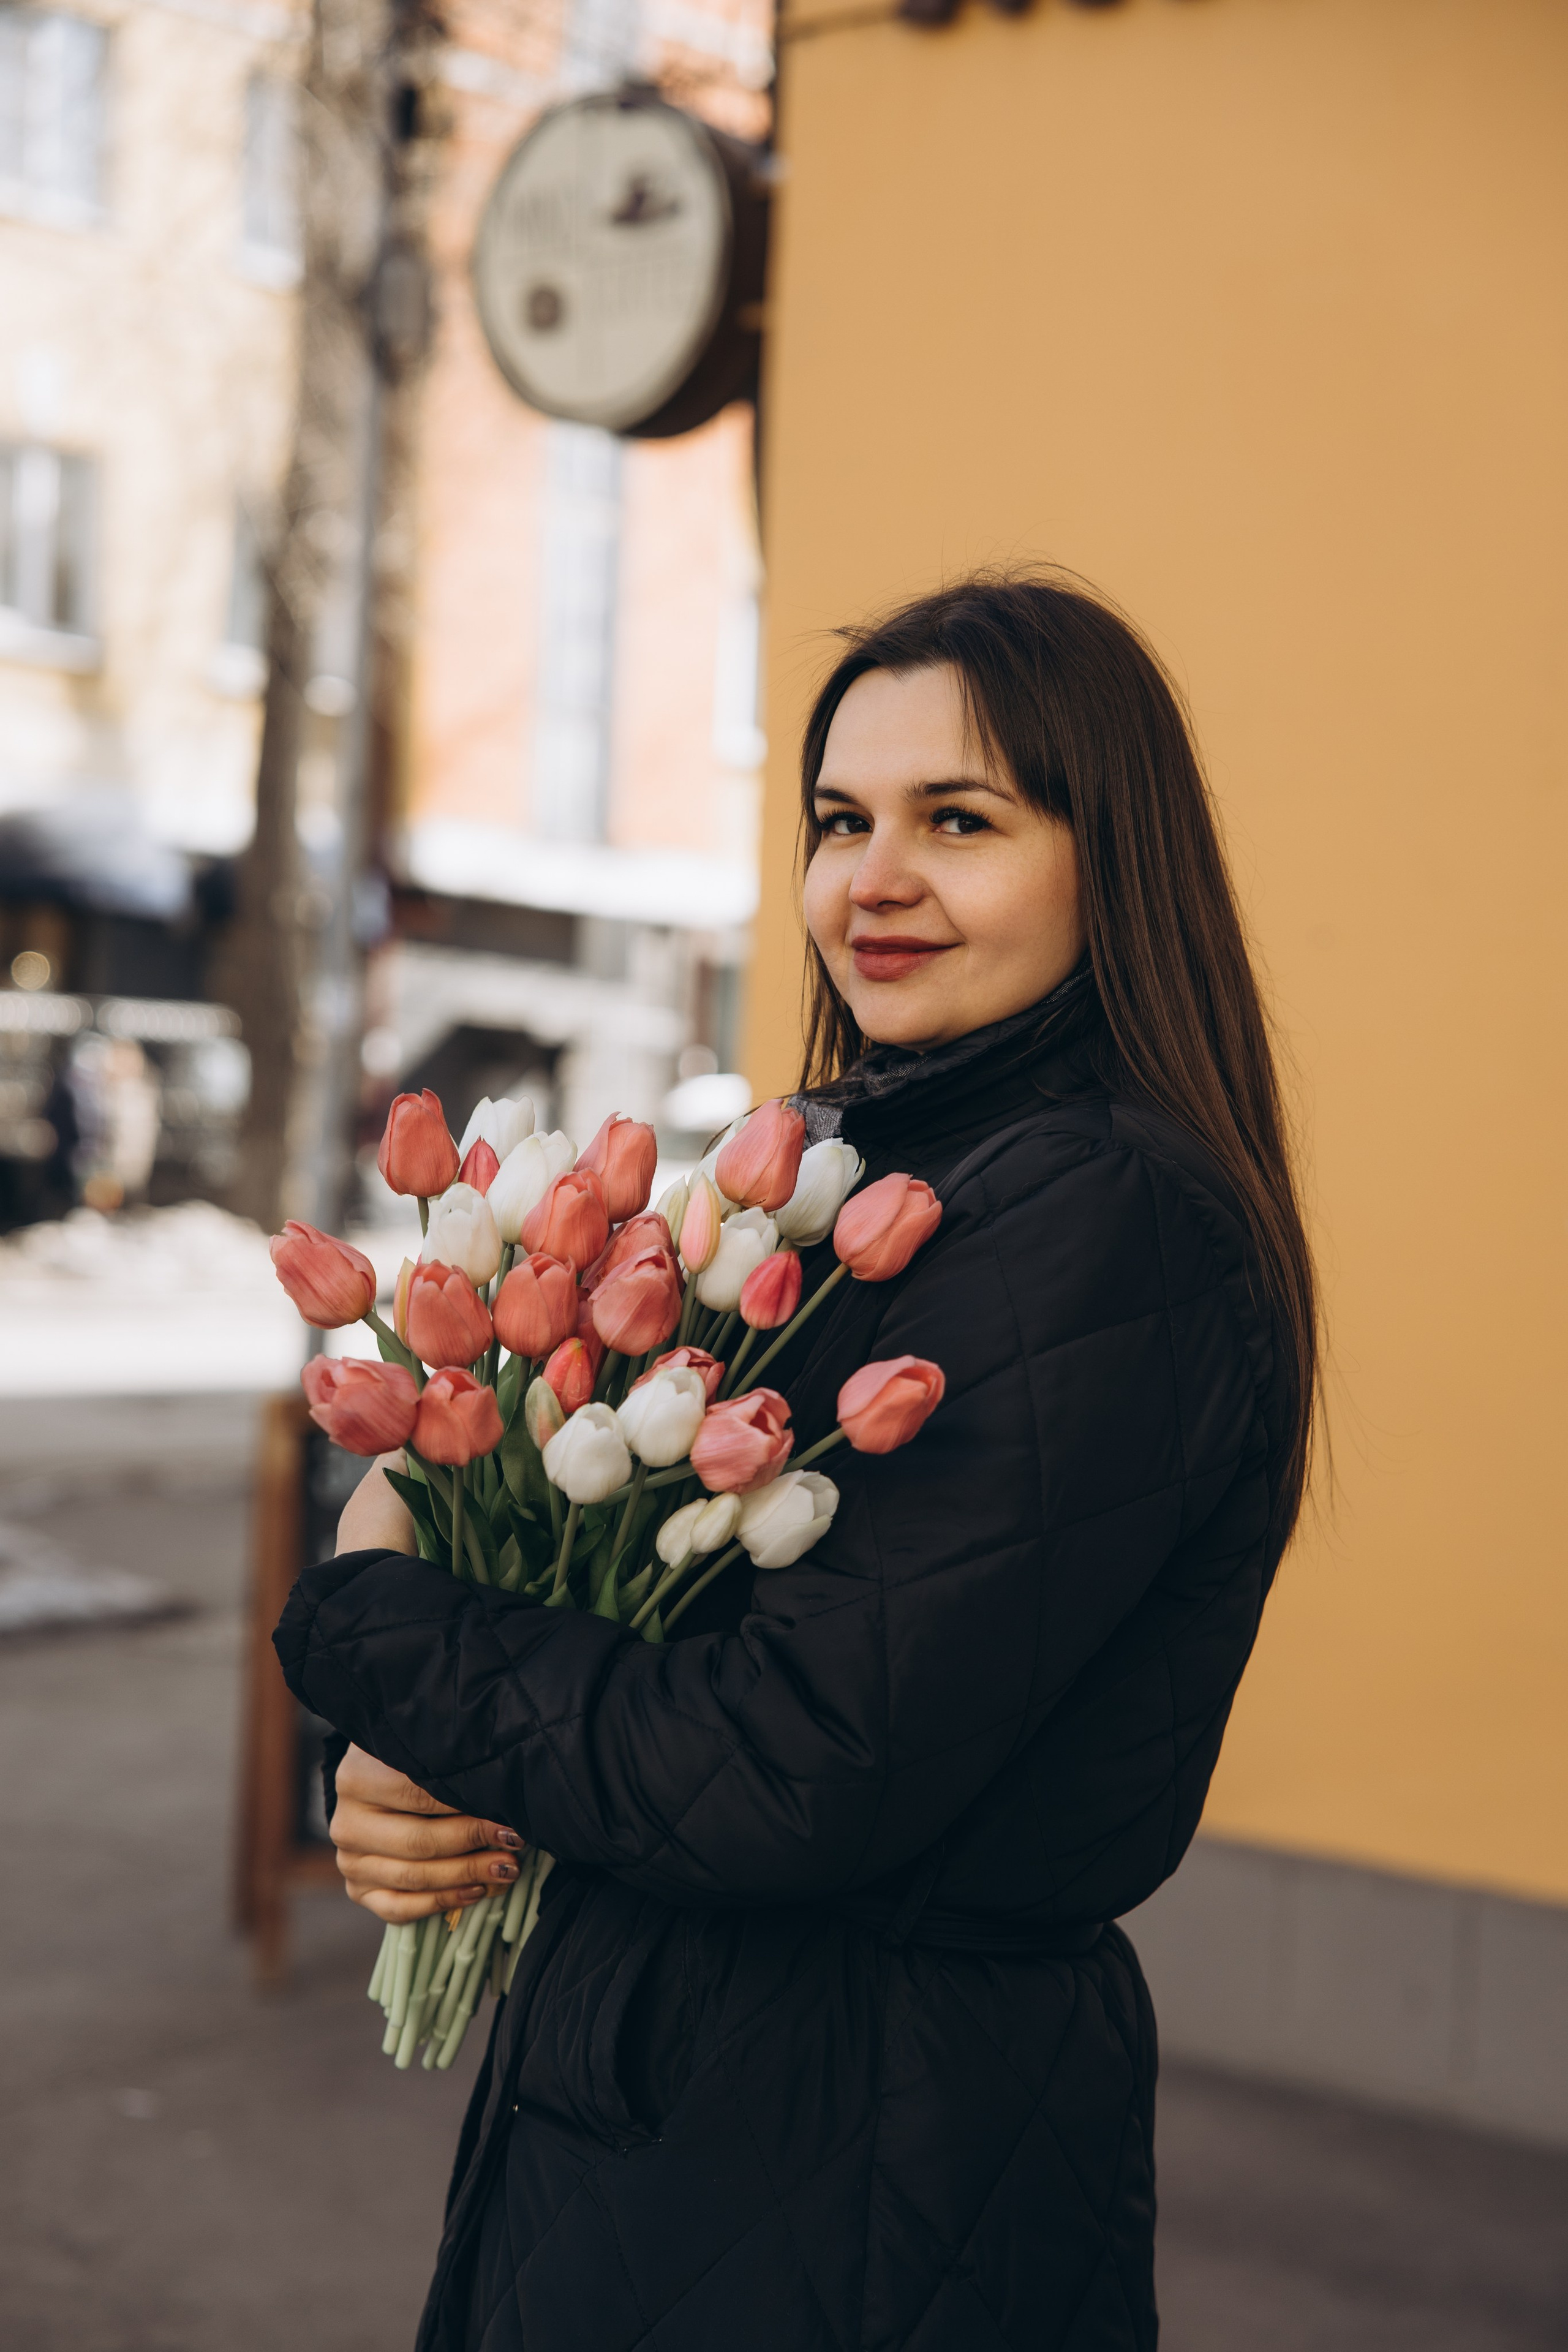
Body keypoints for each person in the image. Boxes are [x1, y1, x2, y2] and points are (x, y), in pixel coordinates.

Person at [277, 572, 1319, 2352]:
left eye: (959, 821)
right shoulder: (863, 1173)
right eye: (841, 821)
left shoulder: (1106, 1220)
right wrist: (416, 1770)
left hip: (854, 2150)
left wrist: (373, 1620)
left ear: (1112, 859)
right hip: (699, 2097)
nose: (871, 880)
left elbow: (787, 1766)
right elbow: (628, 1621)